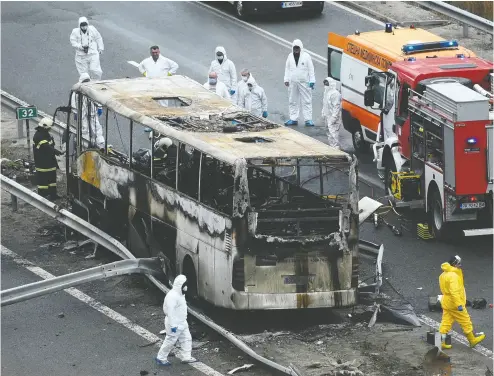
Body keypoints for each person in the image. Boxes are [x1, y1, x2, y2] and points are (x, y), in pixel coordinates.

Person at [439, 255, 485, 350]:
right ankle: (472, 340)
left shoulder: (443, 274)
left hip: (446, 301)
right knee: (465, 320)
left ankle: (441, 342)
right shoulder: (453, 276)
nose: (460, 265)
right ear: (454, 264)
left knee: (445, 322)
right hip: (454, 303)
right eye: (458, 263)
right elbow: (454, 292)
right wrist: (459, 304)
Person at [155, 275, 197, 366]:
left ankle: (186, 356)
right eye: (185, 285)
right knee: (170, 340)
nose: (187, 287)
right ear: (181, 285)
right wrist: (173, 325)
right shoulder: (172, 296)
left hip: (182, 322)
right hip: (175, 323)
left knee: (186, 338)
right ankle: (161, 357)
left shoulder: (180, 294)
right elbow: (170, 312)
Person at [283, 39, 315, 127]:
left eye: (297, 48)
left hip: (304, 82)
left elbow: (311, 69)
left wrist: (312, 80)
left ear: (301, 48)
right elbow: (287, 68)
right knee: (292, 101)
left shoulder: (306, 56)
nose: (296, 49)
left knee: (306, 101)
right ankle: (293, 119)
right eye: (294, 48)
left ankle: (308, 120)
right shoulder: (290, 56)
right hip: (293, 82)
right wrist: (286, 79)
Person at [71, 73, 105, 149]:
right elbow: (73, 102)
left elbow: (98, 98)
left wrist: (99, 107)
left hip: (92, 112)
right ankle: (86, 145)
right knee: (84, 128)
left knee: (96, 127)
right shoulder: (77, 90)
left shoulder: (92, 88)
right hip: (82, 113)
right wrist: (75, 112)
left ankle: (100, 145)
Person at [33, 117, 64, 200]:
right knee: (43, 182)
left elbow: (50, 145)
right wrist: (56, 151)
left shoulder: (46, 134)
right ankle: (43, 197)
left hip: (50, 162)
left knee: (52, 181)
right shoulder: (38, 136)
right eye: (49, 128)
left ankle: (53, 195)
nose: (50, 129)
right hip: (43, 164)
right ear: (45, 126)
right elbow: (46, 147)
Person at [70, 16, 104, 80]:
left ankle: (96, 82)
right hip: (81, 55)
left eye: (85, 25)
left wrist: (100, 48)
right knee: (84, 74)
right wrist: (80, 46)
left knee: (95, 69)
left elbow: (98, 38)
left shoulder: (92, 29)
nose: (84, 27)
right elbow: (73, 42)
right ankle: (86, 85)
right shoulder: (75, 32)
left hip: (92, 53)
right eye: (82, 26)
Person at [322, 77, 342, 150]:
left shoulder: (335, 94)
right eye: (325, 83)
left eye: (327, 83)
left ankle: (336, 149)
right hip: (327, 116)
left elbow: (336, 106)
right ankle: (332, 147)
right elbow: (325, 103)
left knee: (333, 133)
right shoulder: (326, 92)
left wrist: (334, 117)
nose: (325, 85)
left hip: (333, 117)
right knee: (329, 132)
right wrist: (323, 112)